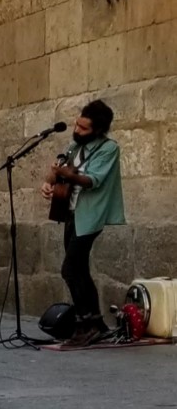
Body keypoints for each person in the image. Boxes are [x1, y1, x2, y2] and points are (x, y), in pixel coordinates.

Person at [41, 99, 124, 345]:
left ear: (98, 131)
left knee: (70, 268)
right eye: (77, 125)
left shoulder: (109, 148)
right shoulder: (74, 146)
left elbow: (91, 180)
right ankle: (95, 323)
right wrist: (49, 182)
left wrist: (65, 174)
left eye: (84, 128)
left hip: (91, 215)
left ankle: (84, 323)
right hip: (71, 213)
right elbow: (56, 170)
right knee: (79, 269)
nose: (77, 130)